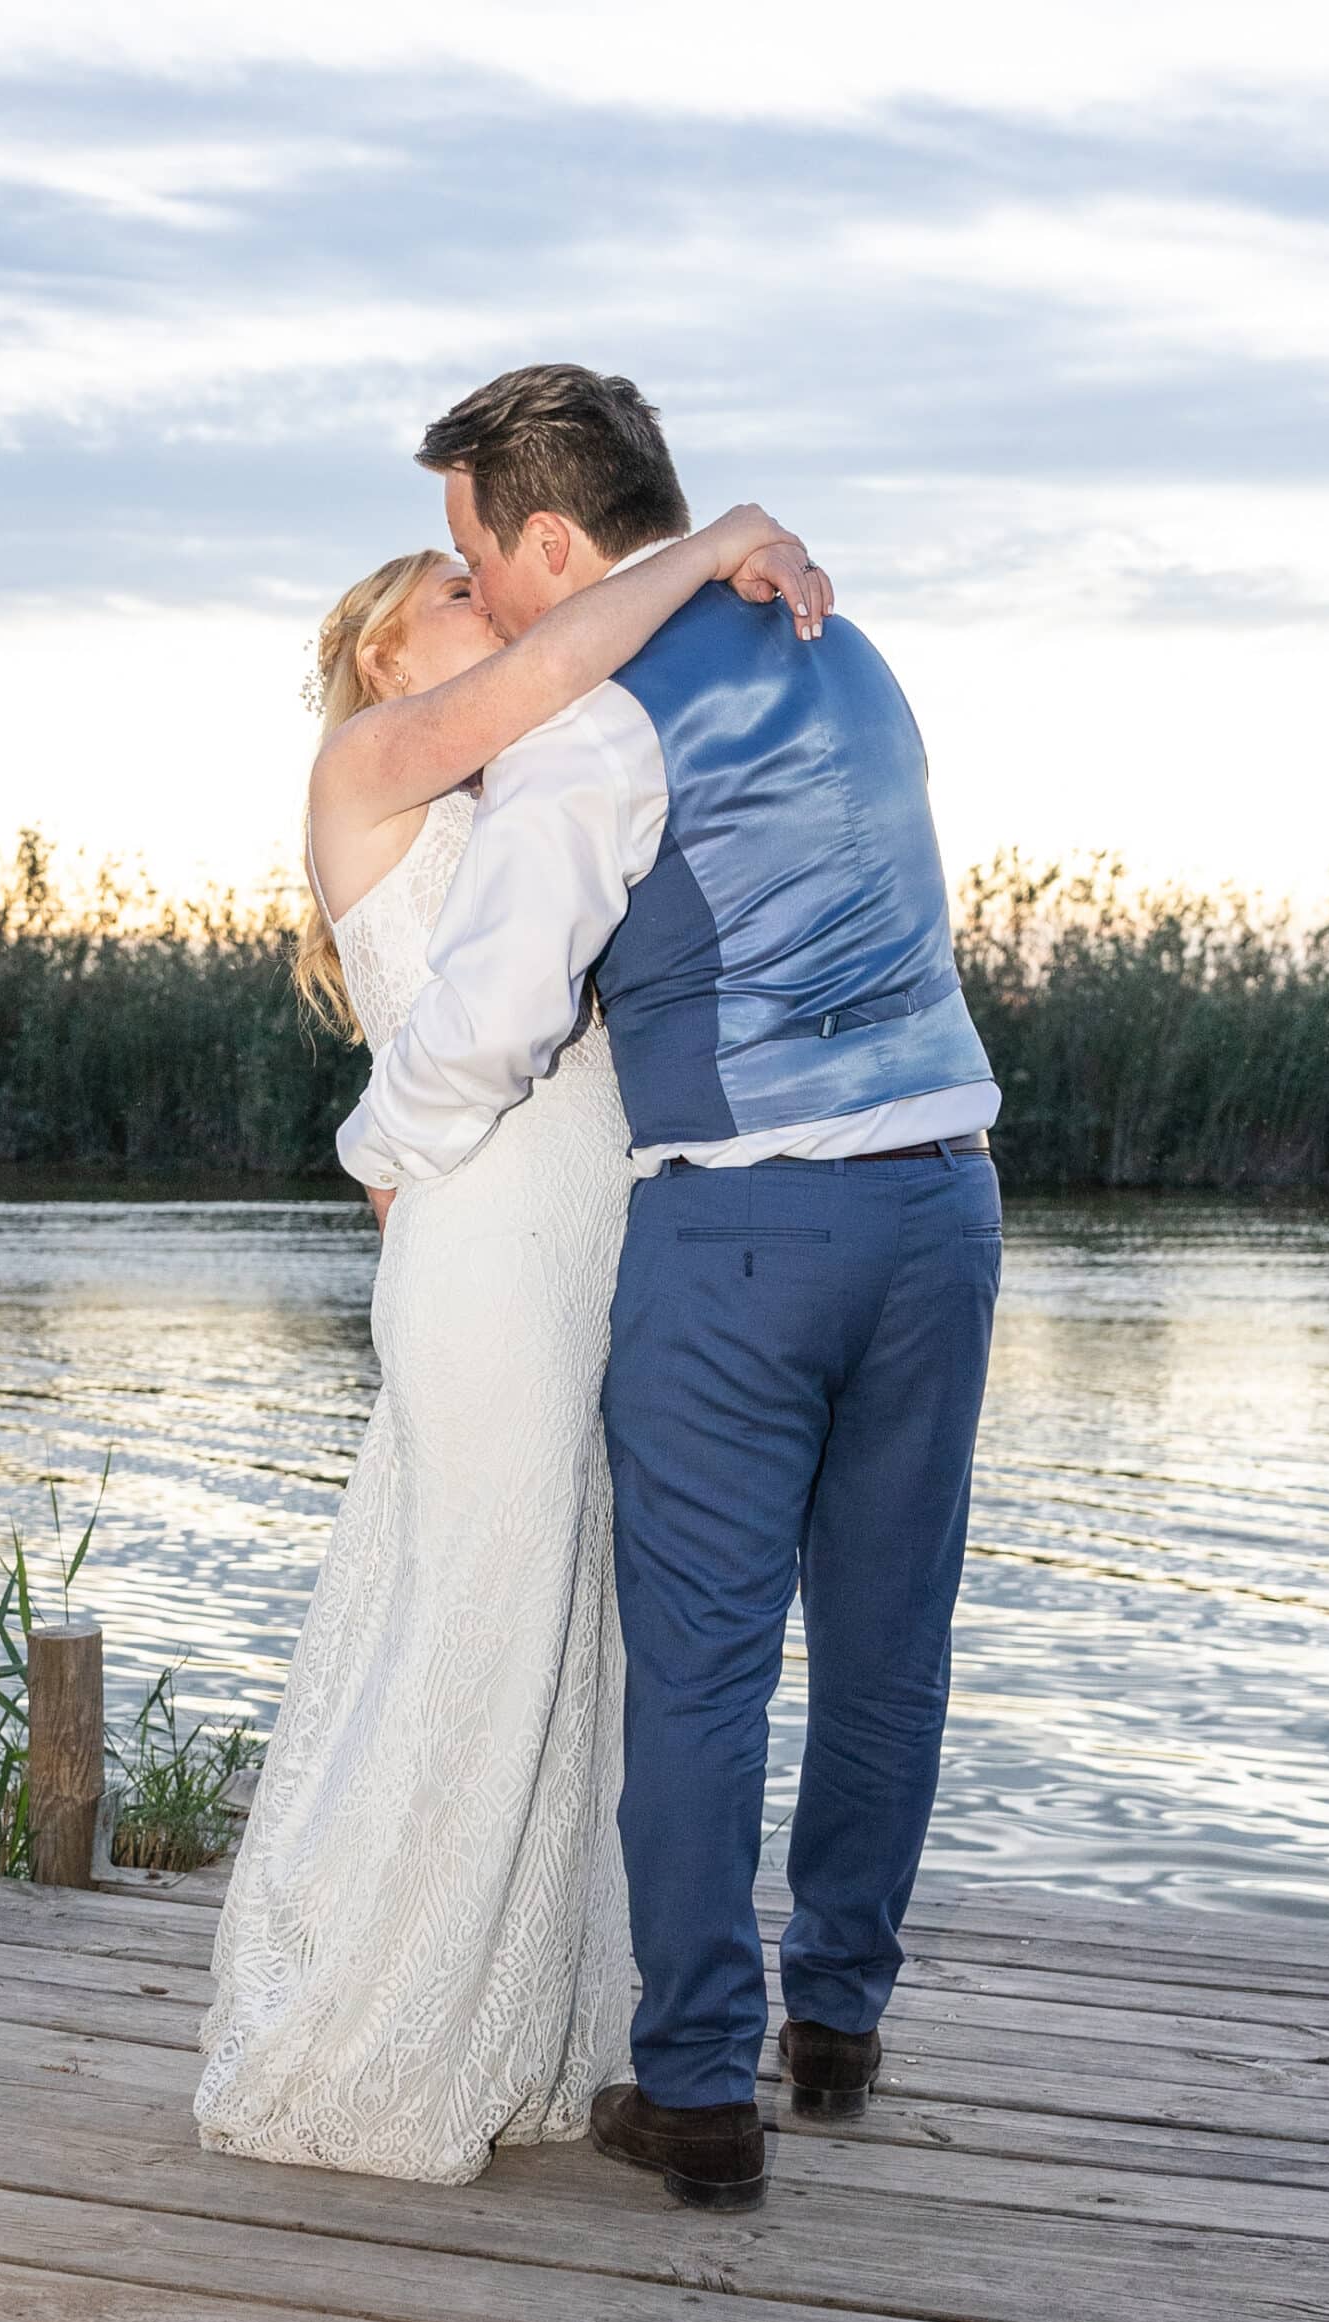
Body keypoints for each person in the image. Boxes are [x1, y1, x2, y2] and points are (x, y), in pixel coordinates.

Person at [340, 364, 1002, 2211]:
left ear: (551, 540)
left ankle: (701, 2088)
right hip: (944, 1200)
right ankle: (840, 2020)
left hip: (743, 1229)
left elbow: (488, 1023)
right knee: (887, 1640)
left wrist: (377, 1146)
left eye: (479, 551)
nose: (482, 589)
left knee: (699, 1668)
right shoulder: (847, 652)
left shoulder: (594, 726)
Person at [194, 502, 829, 2184]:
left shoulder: (532, 786)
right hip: (481, 1242)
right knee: (476, 1615)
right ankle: (372, 2041)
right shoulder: (371, 760)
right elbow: (567, 651)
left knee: (570, 1626)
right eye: (452, 586)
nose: (487, 598)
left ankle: (524, 2026)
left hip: (595, 1231)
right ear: (381, 647)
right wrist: (715, 542)